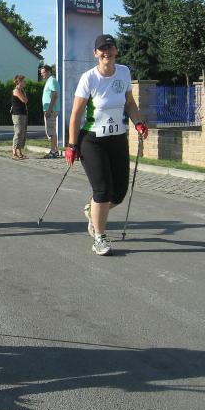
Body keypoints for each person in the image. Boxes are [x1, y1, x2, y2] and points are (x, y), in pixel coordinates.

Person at [65, 34, 148, 256]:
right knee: (102, 190)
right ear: (95, 53)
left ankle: (93, 210)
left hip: (117, 138)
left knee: (119, 193)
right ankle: (99, 237)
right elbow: (76, 114)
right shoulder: (89, 78)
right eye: (102, 49)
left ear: (116, 51)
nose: (106, 52)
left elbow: (130, 103)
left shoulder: (124, 72)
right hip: (92, 141)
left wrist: (138, 123)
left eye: (110, 48)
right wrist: (72, 145)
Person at [40, 65, 60, 158]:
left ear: (49, 72)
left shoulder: (52, 81)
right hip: (50, 110)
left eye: (43, 72)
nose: (42, 74)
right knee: (52, 131)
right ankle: (55, 150)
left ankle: (53, 151)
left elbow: (55, 95)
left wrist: (49, 110)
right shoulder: (50, 81)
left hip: (51, 110)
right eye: (41, 73)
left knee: (51, 131)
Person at [10, 74, 28, 159]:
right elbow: (24, 100)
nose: (24, 82)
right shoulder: (16, 90)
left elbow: (25, 100)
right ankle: (14, 152)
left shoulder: (22, 90)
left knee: (22, 133)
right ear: (19, 82)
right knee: (18, 132)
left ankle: (19, 151)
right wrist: (24, 96)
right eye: (23, 81)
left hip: (23, 113)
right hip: (17, 114)